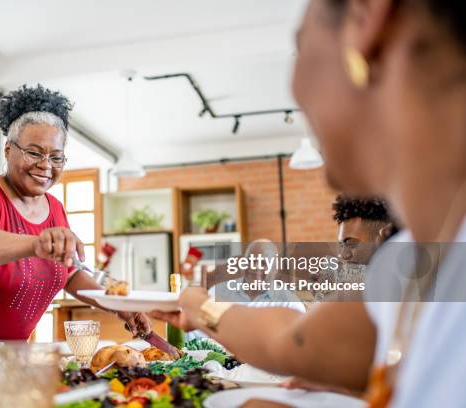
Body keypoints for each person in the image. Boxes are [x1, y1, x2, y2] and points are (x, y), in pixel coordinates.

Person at [152, 1, 466, 406]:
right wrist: (201, 305)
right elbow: (288, 341)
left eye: (300, 47)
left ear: (366, 19)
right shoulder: (411, 263)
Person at [0, 85, 150, 374]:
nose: (45, 165)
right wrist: (36, 243)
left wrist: (116, 305)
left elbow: (70, 272)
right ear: (8, 149)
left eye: (56, 157)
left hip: (9, 362)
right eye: (34, 152)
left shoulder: (54, 208)